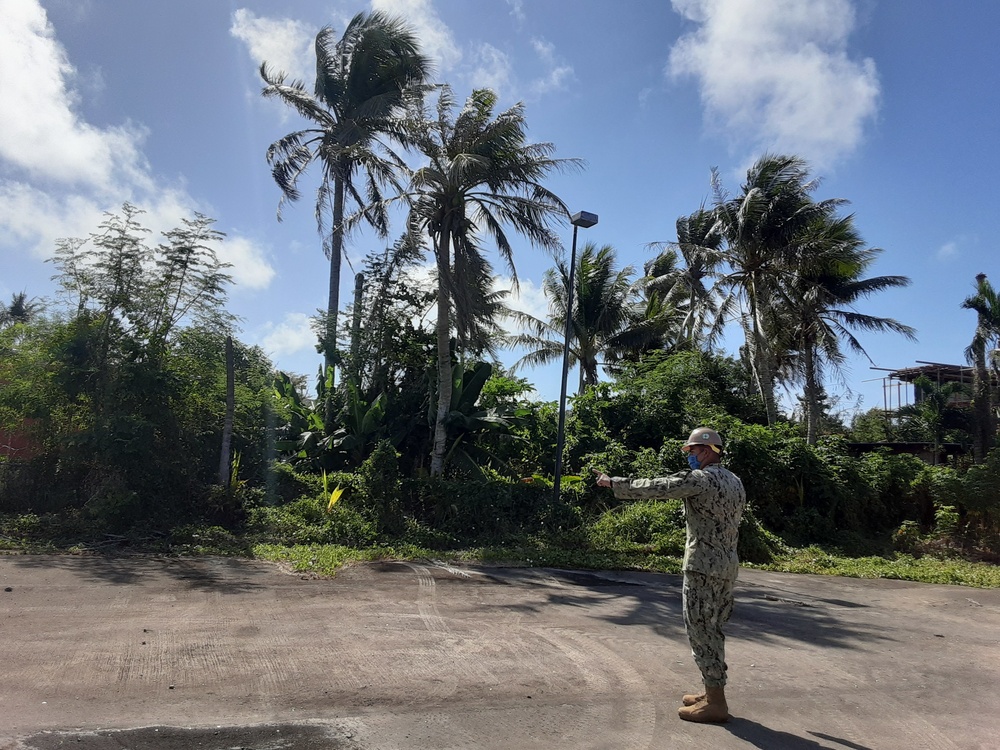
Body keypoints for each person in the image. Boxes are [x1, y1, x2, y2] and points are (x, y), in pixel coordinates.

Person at [594, 427, 745, 723]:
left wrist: (614, 483)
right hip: (727, 566)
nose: (689, 457)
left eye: (691, 451)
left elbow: (660, 486)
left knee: (701, 631)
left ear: (707, 451)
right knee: (713, 628)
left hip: (703, 566)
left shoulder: (700, 479)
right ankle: (711, 691)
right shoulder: (734, 480)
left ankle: (716, 702)